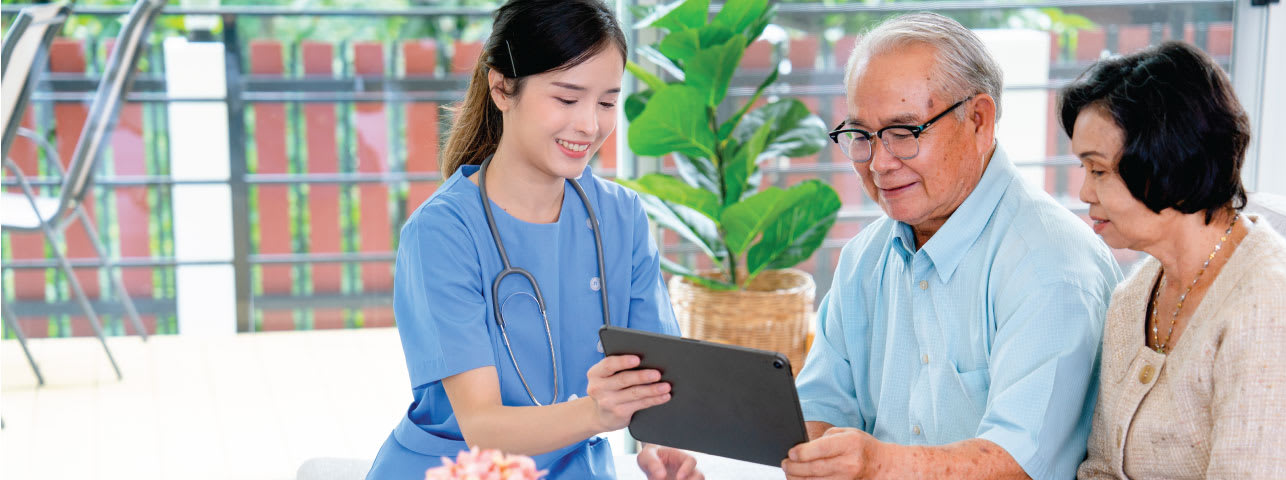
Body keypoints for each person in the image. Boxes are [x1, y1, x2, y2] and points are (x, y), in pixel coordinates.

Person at [365, 1, 701, 478]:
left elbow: (655, 374)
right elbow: (481, 425)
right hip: (455, 468)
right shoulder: (441, 232)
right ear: (501, 87)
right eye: (566, 99)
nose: (589, 124)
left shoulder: (621, 217)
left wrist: (659, 443)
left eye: (607, 101)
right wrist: (596, 414)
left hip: (572, 468)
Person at [783, 13, 1122, 480]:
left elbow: (1019, 465)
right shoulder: (864, 258)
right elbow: (821, 409)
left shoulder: (1052, 266)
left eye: (903, 133)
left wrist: (876, 464)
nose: (879, 163)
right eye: (862, 136)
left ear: (979, 121)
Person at [1063, 41, 1286, 479]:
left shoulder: (1275, 307)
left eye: (1097, 170)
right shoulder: (1136, 294)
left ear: (1164, 165)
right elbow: (1100, 467)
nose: (1084, 193)